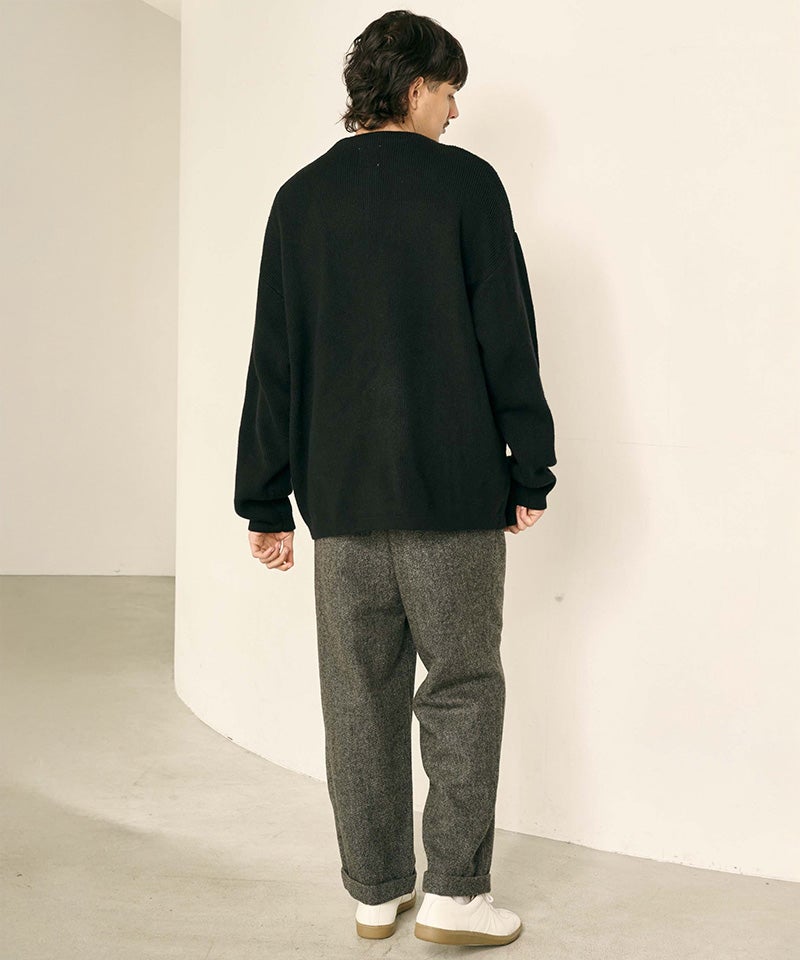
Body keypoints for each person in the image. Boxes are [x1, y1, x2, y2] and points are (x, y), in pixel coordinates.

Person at [233, 9, 557, 948]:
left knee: (358, 695)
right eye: (449, 91)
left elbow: (274, 360)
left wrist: (265, 497)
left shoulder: (300, 199)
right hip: (452, 491)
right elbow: (506, 333)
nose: (455, 110)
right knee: (461, 685)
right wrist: (529, 464)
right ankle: (455, 894)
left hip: (338, 498)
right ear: (416, 88)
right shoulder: (466, 186)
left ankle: (375, 892)